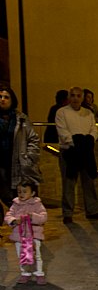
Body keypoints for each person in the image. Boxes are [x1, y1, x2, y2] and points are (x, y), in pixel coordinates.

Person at [55, 86, 98, 224]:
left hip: (86, 151)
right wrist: (76, 142)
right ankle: (68, 213)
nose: (75, 98)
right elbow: (63, 132)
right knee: (69, 182)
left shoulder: (88, 113)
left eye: (78, 96)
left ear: (82, 98)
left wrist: (90, 140)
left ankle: (92, 210)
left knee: (89, 181)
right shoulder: (61, 112)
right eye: (73, 95)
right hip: (70, 151)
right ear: (69, 97)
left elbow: (94, 129)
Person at [0, 85, 42, 215]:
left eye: (6, 97)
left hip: (18, 163)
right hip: (0, 164)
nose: (2, 99)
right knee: (4, 193)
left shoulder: (21, 119)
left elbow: (33, 139)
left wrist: (28, 158)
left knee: (18, 196)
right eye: (0, 97)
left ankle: (21, 221)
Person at [4, 180, 48, 285]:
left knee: (36, 255)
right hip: (19, 236)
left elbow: (43, 217)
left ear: (32, 193)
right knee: (22, 255)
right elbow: (8, 215)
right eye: (19, 192)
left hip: (34, 235)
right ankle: (25, 273)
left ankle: (39, 273)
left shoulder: (37, 204)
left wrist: (33, 216)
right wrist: (14, 221)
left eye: (24, 191)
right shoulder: (15, 204)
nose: (21, 194)